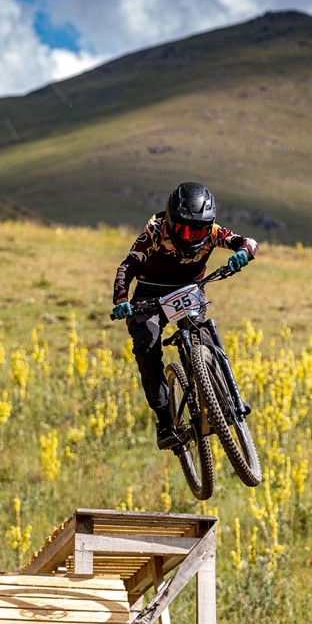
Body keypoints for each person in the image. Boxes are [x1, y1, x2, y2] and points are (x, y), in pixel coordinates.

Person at [111, 181, 259, 449]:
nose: (191, 237)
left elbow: (248, 242)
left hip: (189, 289)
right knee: (146, 347)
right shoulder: (154, 232)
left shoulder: (214, 233)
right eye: (184, 229)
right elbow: (127, 267)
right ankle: (166, 422)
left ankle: (225, 398)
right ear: (170, 220)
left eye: (198, 230)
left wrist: (244, 253)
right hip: (150, 296)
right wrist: (121, 300)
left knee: (204, 334)